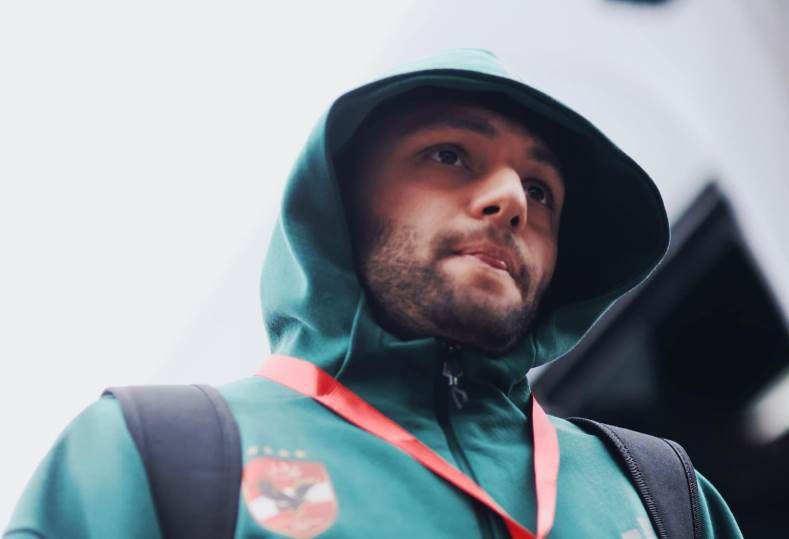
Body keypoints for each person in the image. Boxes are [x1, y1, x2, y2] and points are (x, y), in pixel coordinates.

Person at [5, 49, 743, 538]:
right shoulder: (152, 452)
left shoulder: (661, 494)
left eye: (541, 190)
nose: (511, 201)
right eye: (450, 155)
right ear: (342, 203)